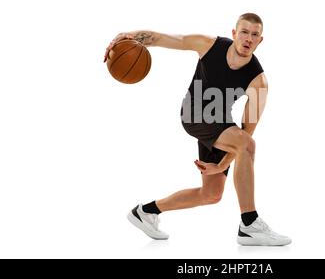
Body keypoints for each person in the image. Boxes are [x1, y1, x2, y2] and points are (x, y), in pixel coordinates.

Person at [104, 13, 291, 246]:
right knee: (245, 144)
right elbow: (165, 38)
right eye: (244, 32)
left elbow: (247, 133)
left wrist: (222, 165)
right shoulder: (209, 45)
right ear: (234, 33)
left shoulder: (258, 82)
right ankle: (250, 223)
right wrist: (128, 36)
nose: (248, 38)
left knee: (211, 194)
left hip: (222, 126)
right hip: (193, 115)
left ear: (260, 40)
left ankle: (145, 212)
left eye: (254, 35)